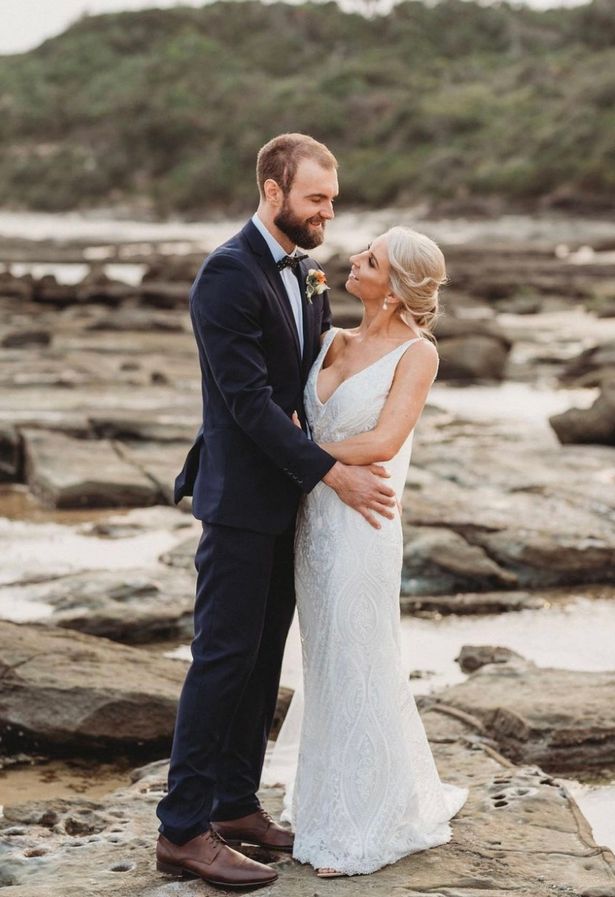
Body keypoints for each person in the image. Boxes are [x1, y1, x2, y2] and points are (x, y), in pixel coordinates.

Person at [155, 133, 398, 889]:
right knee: (222, 659)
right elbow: (250, 403)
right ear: (272, 192)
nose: (330, 211)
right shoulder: (227, 275)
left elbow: (306, 378)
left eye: (331, 198)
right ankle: (182, 828)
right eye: (316, 198)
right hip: (237, 502)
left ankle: (234, 804)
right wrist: (330, 473)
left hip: (284, 504)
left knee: (261, 664)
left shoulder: (304, 274)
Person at [270, 225, 469, 877]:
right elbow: (293, 416)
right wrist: (299, 454)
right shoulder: (327, 338)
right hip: (312, 522)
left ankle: (364, 824)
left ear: (395, 285)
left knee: (361, 653)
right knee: (324, 660)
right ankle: (326, 805)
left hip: (364, 525)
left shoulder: (417, 354)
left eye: (370, 258)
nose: (352, 260)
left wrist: (291, 456)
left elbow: (383, 440)